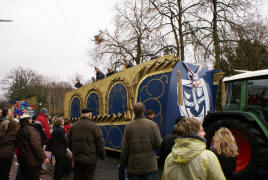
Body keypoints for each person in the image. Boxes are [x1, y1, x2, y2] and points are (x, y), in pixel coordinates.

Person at [120, 102, 162, 180]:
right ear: (144, 111)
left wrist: (123, 164)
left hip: (134, 165)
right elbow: (159, 143)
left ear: (134, 111)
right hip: (149, 165)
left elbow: (124, 148)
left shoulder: (129, 126)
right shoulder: (153, 125)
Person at [67, 108, 105, 180]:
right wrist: (102, 155)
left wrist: (74, 153)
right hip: (90, 160)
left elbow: (68, 143)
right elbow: (100, 143)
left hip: (77, 159)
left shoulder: (73, 127)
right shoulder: (94, 127)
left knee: (77, 177)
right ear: (90, 115)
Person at [16, 114, 50, 180]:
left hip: (23, 159)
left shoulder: (20, 130)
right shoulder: (31, 130)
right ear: (28, 120)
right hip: (32, 161)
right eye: (30, 119)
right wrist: (44, 157)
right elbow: (36, 146)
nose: (31, 120)